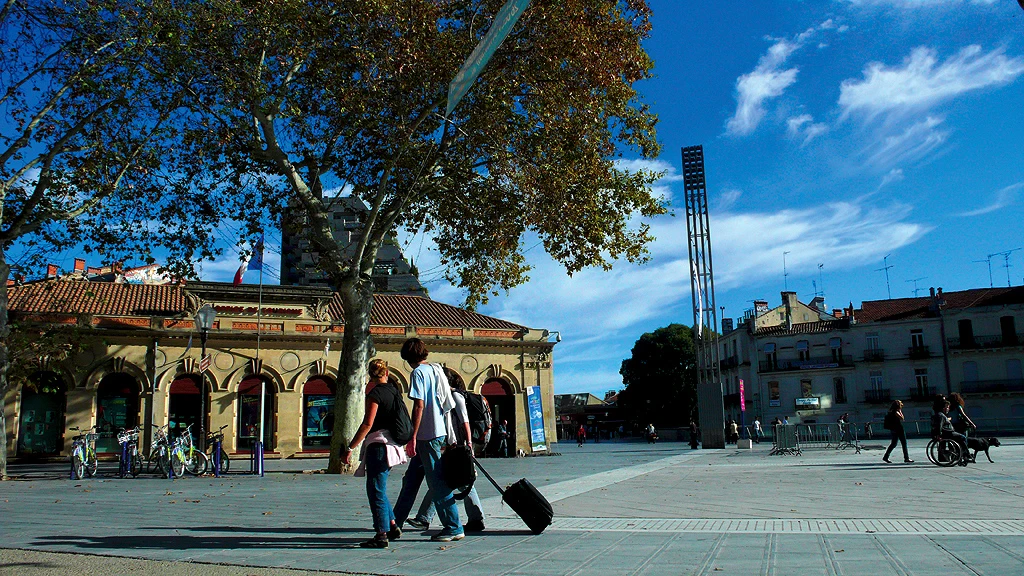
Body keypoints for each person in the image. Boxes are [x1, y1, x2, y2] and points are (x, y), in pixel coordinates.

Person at [390, 338, 464, 541]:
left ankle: (453, 526)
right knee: (411, 480)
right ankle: (395, 521)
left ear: (408, 356)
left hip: (427, 434)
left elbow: (419, 406)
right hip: (438, 431)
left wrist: (412, 435)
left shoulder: (418, 373)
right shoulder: (436, 370)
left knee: (437, 482)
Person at [407, 368, 486, 533]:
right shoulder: (445, 396)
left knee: (459, 482)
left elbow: (464, 421)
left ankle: (474, 519)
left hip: (459, 445)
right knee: (445, 480)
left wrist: (468, 444)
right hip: (451, 445)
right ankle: (425, 518)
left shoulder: (456, 396)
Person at [342, 359, 408, 548]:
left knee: (375, 491)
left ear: (370, 376)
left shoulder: (375, 394)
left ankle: (381, 534)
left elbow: (367, 424)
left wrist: (350, 447)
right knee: (380, 488)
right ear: (386, 373)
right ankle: (393, 524)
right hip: (393, 445)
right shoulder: (395, 392)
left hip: (378, 446)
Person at [931, 398, 968, 465]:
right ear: (943, 408)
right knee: (962, 437)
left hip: (948, 432)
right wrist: (939, 435)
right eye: (947, 407)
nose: (948, 409)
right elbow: (940, 426)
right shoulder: (941, 415)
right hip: (948, 433)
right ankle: (965, 454)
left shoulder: (940, 415)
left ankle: (963, 454)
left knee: (961, 438)